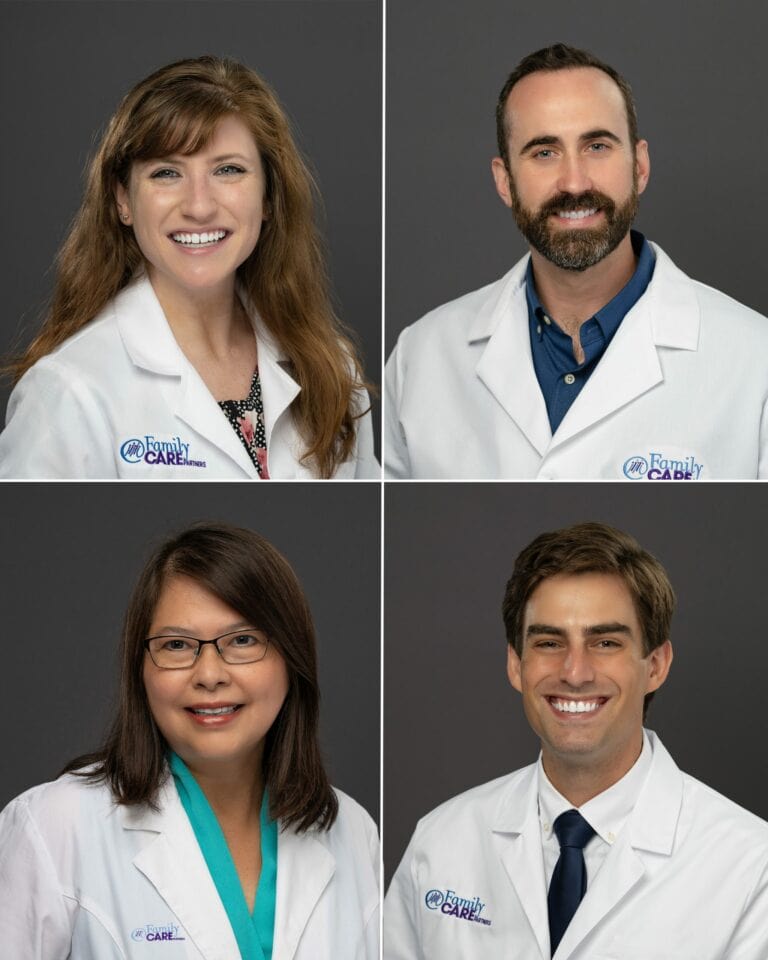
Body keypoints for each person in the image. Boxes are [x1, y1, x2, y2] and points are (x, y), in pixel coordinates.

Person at [384, 522, 768, 959]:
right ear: (516, 665)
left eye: (605, 642)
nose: (574, 672)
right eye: (549, 642)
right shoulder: (441, 842)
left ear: (656, 665)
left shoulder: (752, 868)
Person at [384, 43, 768, 479]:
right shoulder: (421, 359)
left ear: (640, 165)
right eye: (544, 152)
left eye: (597, 146)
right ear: (504, 180)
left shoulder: (757, 362)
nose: (574, 182)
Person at [0, 522, 379, 959]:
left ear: (291, 659)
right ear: (139, 668)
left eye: (242, 640)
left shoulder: (352, 831)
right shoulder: (56, 825)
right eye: (178, 645)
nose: (210, 675)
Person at [0, 56, 377, 479]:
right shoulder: (68, 393)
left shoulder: (332, 370)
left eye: (228, 170)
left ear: (270, 196)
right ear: (122, 200)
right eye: (166, 173)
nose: (199, 206)